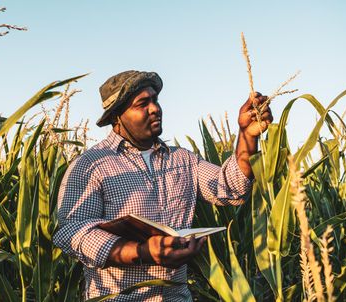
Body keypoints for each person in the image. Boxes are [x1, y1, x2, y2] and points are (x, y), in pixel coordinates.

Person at [53, 70, 273, 301]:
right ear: (117, 116)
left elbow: (231, 189)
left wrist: (247, 135)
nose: (155, 108)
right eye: (142, 103)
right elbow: (71, 232)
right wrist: (141, 252)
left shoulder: (183, 160)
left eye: (155, 100)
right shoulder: (90, 165)